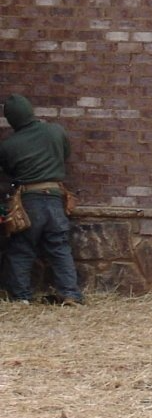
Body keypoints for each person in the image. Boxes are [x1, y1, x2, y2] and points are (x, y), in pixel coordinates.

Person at [0, 95, 80, 305]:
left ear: (11, 120)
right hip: (56, 198)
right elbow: (65, 154)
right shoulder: (56, 131)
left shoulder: (9, 145)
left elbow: (9, 172)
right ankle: (70, 294)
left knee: (21, 249)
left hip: (28, 201)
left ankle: (21, 298)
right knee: (60, 247)